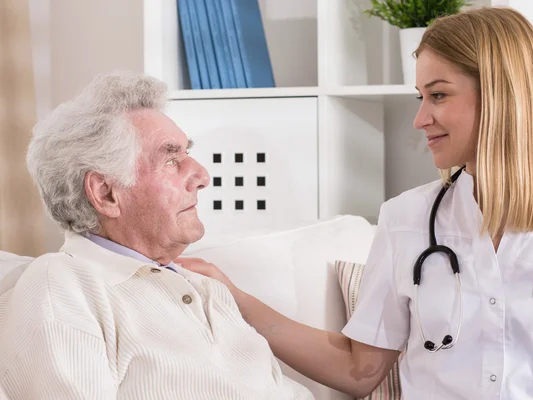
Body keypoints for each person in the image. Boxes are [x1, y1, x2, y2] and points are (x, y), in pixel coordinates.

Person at [178, 7, 533, 399]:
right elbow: (359, 370)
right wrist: (234, 296)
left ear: (501, 95)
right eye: (421, 97)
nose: (419, 119)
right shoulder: (406, 219)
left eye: (438, 95)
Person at [0, 72, 314, 399]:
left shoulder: (207, 288)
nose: (203, 176)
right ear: (106, 193)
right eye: (171, 159)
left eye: (187, 154)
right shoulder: (63, 286)